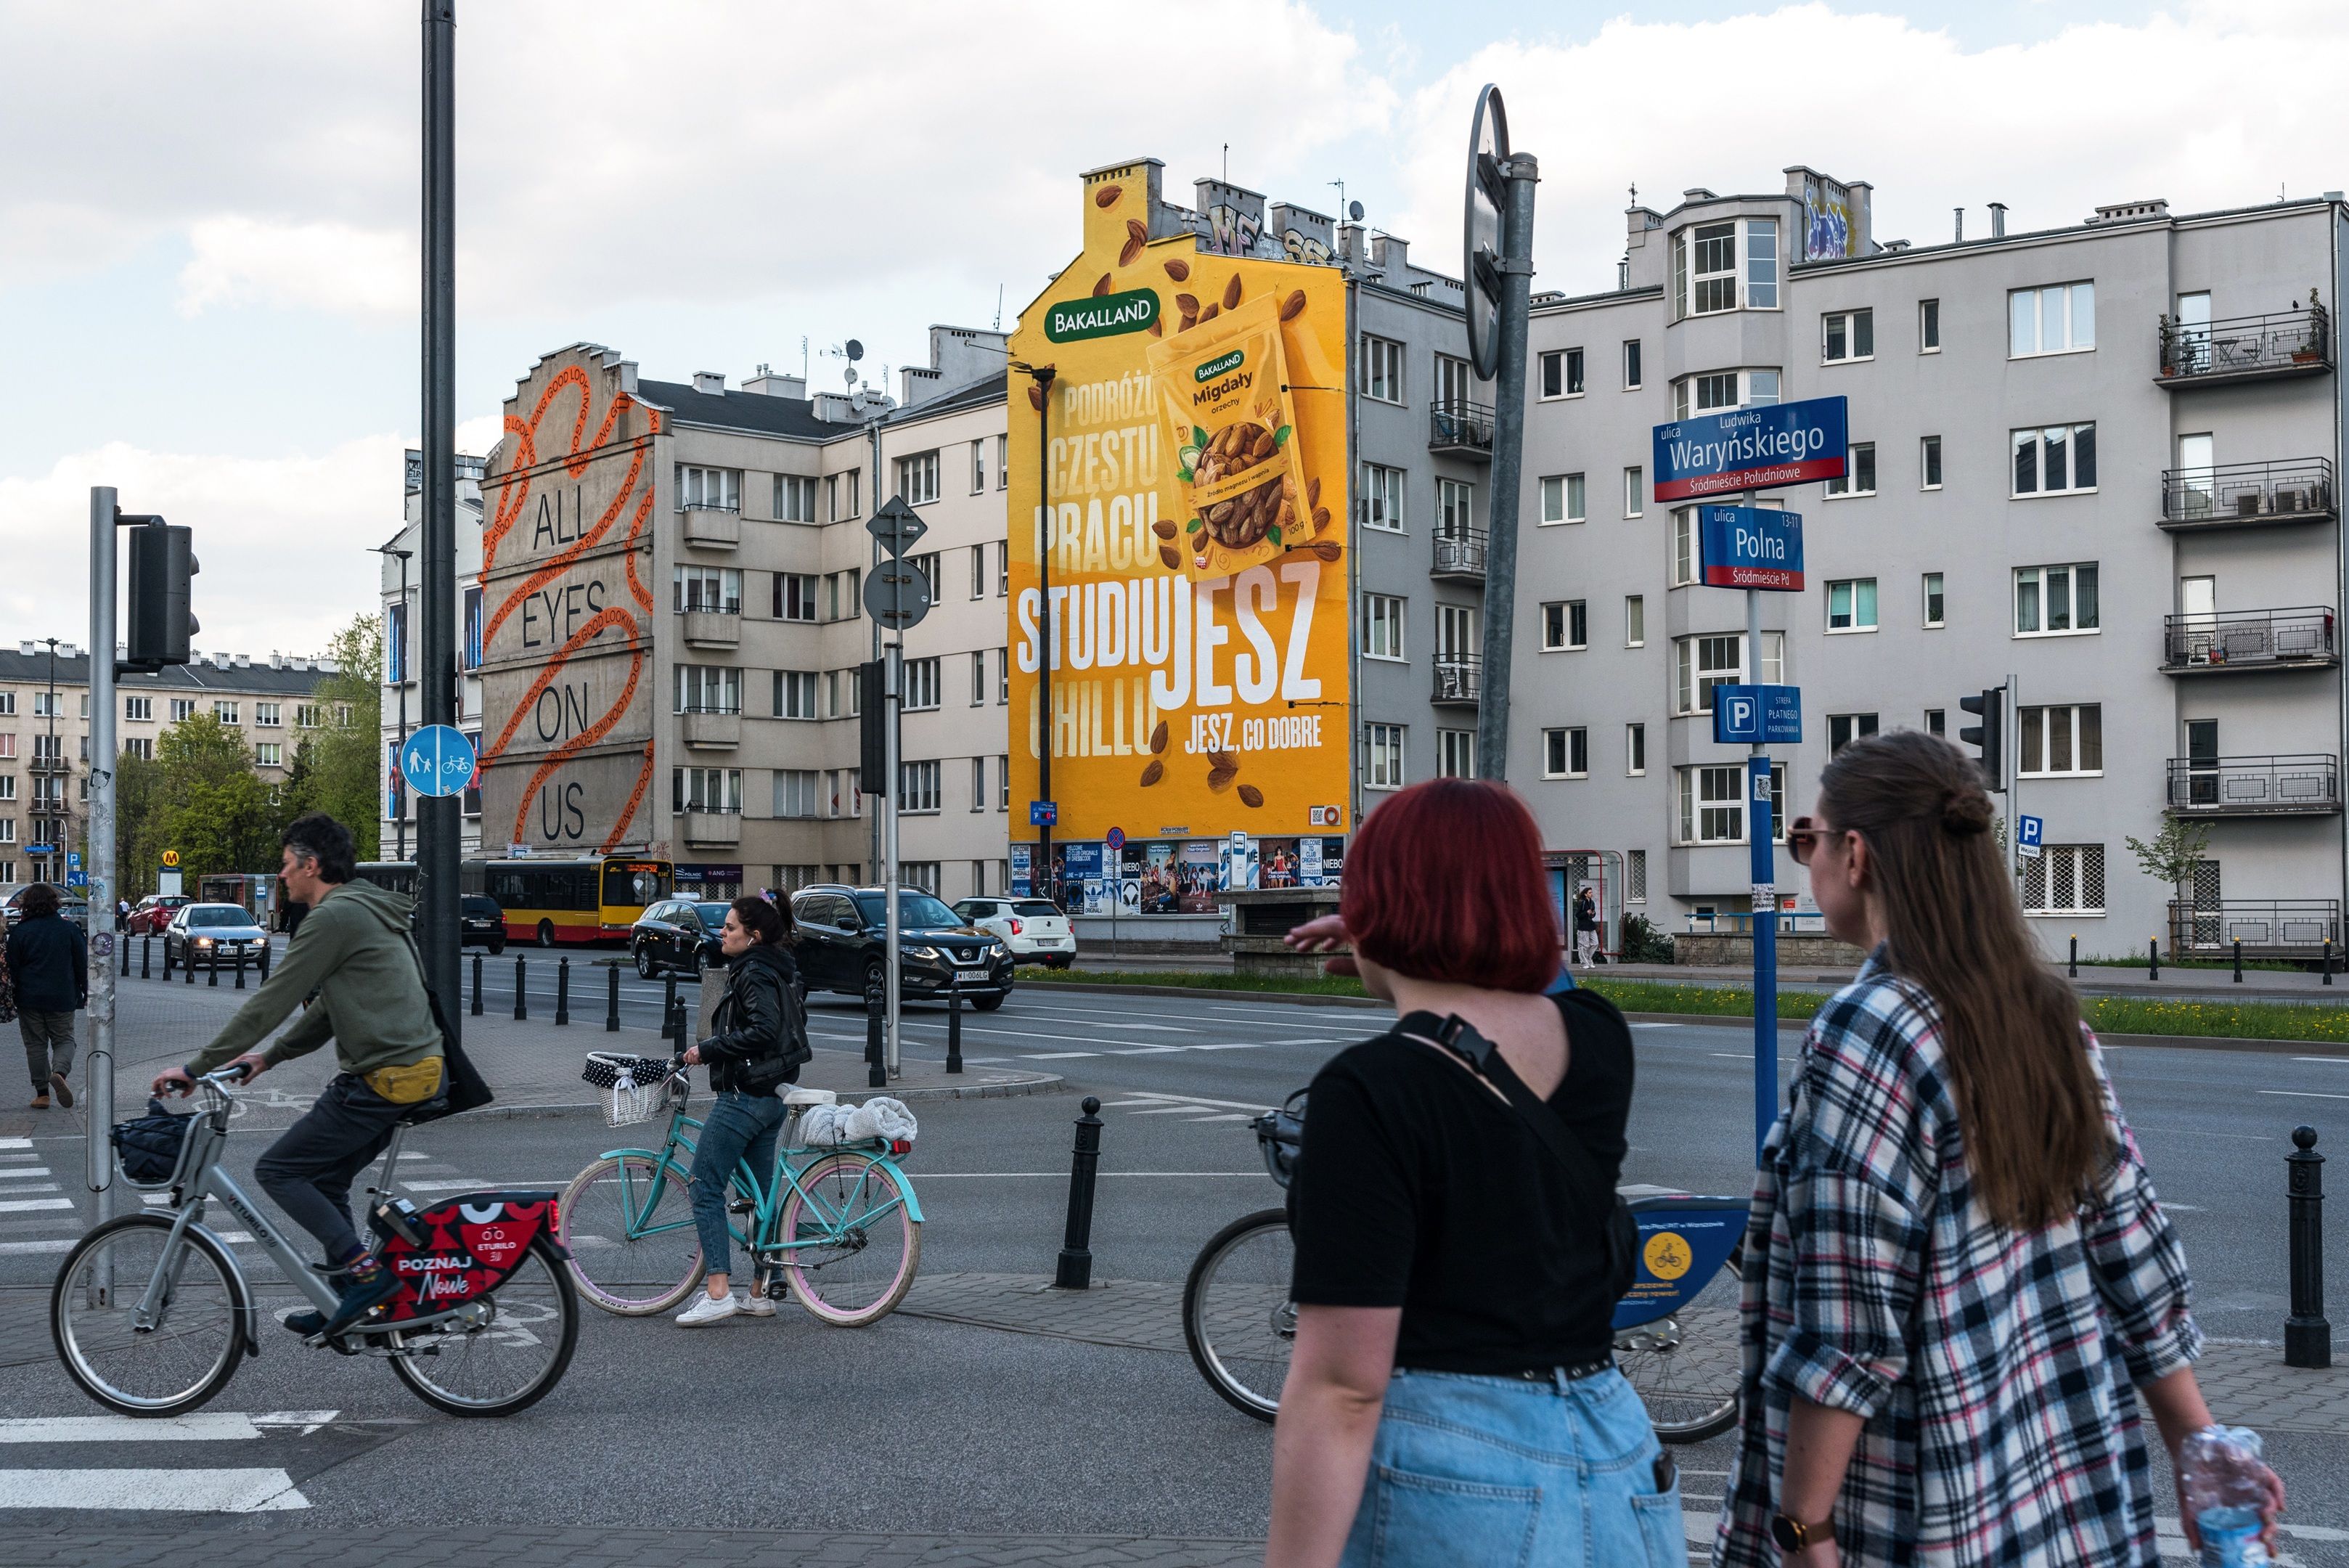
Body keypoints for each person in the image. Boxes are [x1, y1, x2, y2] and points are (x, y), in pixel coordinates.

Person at [1715, 731, 2284, 1567]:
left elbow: (1847, 1331)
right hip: (2065, 1509)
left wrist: (1805, 1531)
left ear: (1856, 853)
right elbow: (2131, 1256)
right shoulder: (2045, 1016)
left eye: (1808, 838)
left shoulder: (1867, 1033)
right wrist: (2199, 1449)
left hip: (1918, 1511)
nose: (1807, 861)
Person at [1267, 780, 1672, 1568]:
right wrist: (1400, 929)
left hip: (1456, 1474)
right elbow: (1537, 983)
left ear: (1379, 902)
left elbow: (1342, 1388)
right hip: (1612, 1449)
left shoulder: (1370, 1090)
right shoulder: (1596, 1038)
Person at [153, 814, 445, 1336]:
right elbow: (330, 1009)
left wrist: (195, 1069)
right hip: (412, 1070)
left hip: (384, 1077)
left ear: (312, 865)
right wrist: (270, 1058)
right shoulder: (363, 908)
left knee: (278, 1171)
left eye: (288, 865)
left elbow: (271, 1000)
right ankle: (348, 1298)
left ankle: (366, 1278)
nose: (282, 876)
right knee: (326, 1178)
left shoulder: (332, 919)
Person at [675, 893, 810, 1327]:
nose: (722, 933)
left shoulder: (751, 970)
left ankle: (717, 1292)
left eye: (730, 927)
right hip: (772, 1095)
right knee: (760, 1198)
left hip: (745, 1096)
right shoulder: (775, 966)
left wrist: (708, 1049)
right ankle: (759, 1292)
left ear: (752, 936)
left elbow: (763, 1029)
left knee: (704, 1185)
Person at [7, 883, 86, 1110]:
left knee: (35, 1045)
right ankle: (59, 1073)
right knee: (65, 1040)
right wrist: (86, 990)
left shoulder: (20, 932)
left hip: (28, 998)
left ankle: (42, 1095)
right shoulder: (69, 930)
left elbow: (13, 967)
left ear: (27, 905)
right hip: (62, 996)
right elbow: (82, 964)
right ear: (55, 903)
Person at [1574, 883, 1602, 968]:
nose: (1591, 894)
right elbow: (1578, 915)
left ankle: (1588, 958)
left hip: (1590, 925)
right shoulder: (1582, 903)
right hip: (1583, 927)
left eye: (1592, 892)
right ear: (1585, 894)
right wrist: (1586, 913)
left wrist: (1593, 914)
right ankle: (1583, 963)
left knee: (1595, 943)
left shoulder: (1592, 903)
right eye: (1590, 893)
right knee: (1584, 945)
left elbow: (1592, 915)